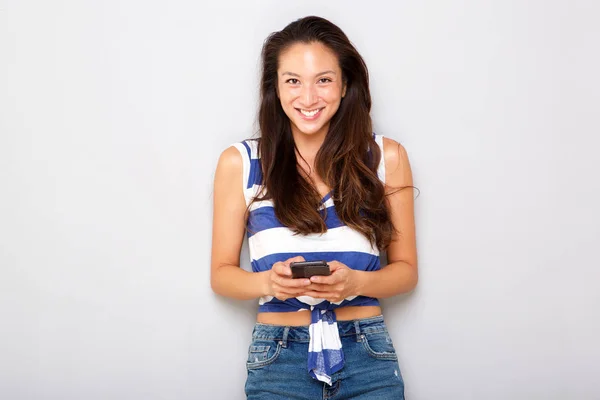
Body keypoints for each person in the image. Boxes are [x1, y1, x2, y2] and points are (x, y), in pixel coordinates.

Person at [211, 15, 418, 399]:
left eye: (323, 80)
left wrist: (356, 283)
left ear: (345, 86)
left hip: (367, 353)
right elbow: (221, 274)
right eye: (293, 81)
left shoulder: (387, 157)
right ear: (275, 87)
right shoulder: (240, 162)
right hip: (278, 355)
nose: (307, 98)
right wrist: (268, 283)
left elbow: (405, 272)